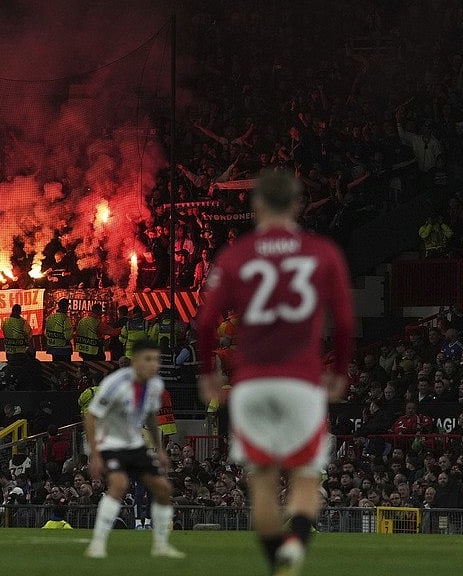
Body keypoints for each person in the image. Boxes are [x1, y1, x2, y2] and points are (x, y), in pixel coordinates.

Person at [196, 172, 355, 576]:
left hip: (252, 384)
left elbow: (206, 322)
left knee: (263, 483)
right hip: (302, 381)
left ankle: (276, 564)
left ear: (257, 207)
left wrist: (207, 372)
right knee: (304, 478)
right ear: (299, 204)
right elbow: (346, 322)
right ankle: (296, 547)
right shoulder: (322, 252)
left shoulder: (235, 256)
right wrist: (338, 371)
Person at [84, 339, 184, 559]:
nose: (154, 364)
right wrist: (95, 453)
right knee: (119, 485)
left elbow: (150, 416)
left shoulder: (155, 385)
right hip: (110, 443)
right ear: (136, 361)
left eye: (156, 360)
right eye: (148, 359)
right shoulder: (114, 383)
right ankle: (98, 544)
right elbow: (91, 416)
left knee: (163, 489)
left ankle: (160, 545)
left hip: (134, 444)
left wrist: (159, 449)